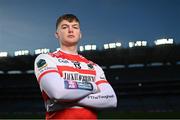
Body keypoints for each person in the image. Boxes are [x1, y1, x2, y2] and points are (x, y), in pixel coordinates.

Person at [34, 14, 117, 120]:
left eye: (75, 27)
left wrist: (66, 99)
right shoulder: (45, 59)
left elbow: (111, 100)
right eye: (65, 27)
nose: (70, 30)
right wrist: (93, 86)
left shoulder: (94, 67)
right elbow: (58, 93)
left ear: (80, 34)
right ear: (57, 34)